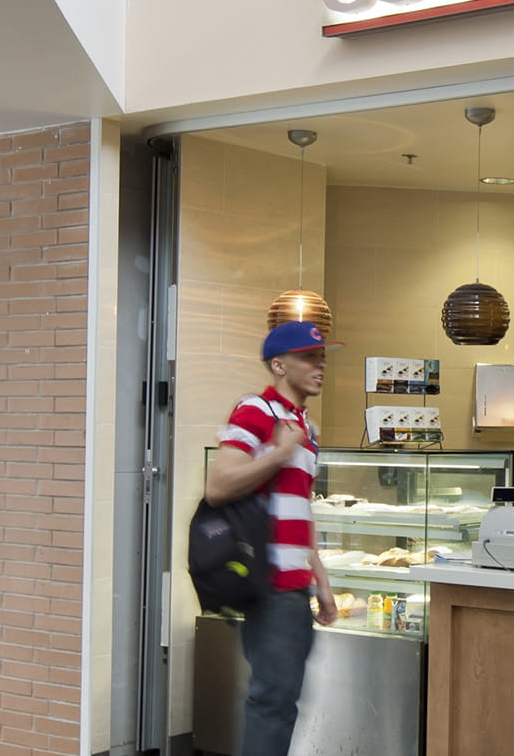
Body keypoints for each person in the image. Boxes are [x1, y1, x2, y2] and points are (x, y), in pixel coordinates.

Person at [203, 322, 342, 756]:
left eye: (322, 357)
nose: (319, 366)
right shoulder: (257, 411)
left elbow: (300, 510)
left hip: (295, 587)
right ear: (279, 365)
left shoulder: (306, 427)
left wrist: (321, 581)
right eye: (308, 358)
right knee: (273, 703)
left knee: (282, 701)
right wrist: (281, 452)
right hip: (269, 586)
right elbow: (218, 485)